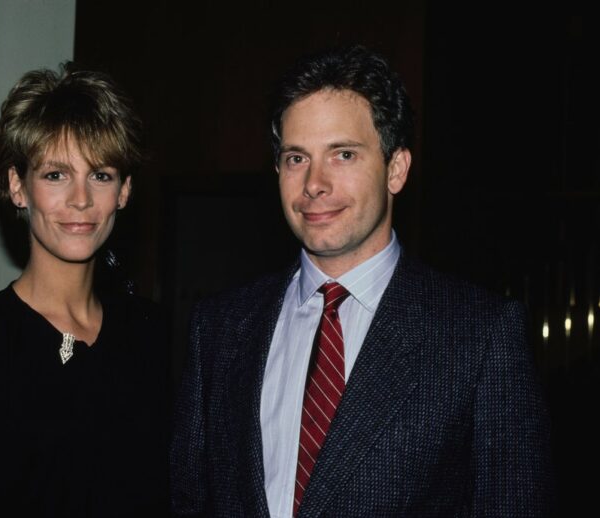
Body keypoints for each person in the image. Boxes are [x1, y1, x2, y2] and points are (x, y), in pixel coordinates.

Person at [170, 45, 553, 517]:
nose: (314, 183)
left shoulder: (479, 334)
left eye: (343, 154)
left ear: (396, 169)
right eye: (295, 158)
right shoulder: (219, 329)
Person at [0, 64, 168, 517]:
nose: (81, 199)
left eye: (101, 174)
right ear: (17, 186)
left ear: (125, 191)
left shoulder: (156, 338)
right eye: (56, 175)